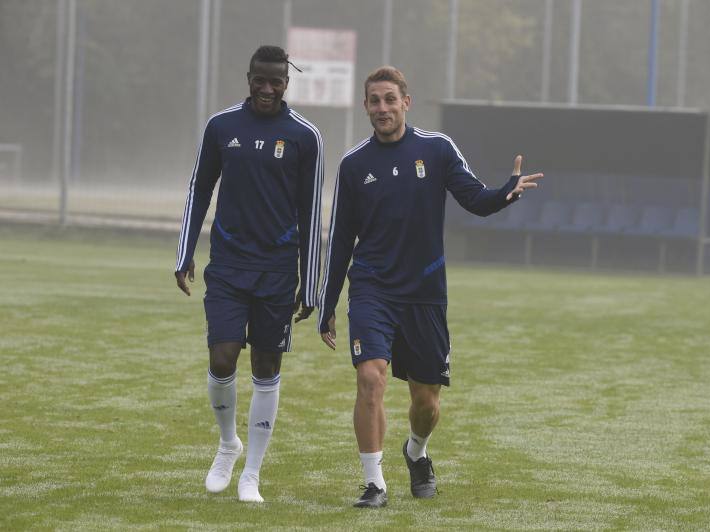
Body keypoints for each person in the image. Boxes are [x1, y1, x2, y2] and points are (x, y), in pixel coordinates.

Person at [317, 66, 541, 508]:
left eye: (389, 99)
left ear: (406, 102)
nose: (382, 108)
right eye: (374, 101)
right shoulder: (353, 164)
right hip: (372, 289)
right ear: (365, 107)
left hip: (424, 293)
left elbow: (475, 200)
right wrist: (326, 304)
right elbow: (341, 239)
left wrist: (506, 192)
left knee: (426, 403)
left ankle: (416, 451)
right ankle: (374, 484)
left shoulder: (437, 150)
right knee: (370, 378)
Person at [174, 45, 323, 503]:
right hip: (228, 267)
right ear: (248, 77)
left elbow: (311, 211)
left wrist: (310, 281)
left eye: (275, 81)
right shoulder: (221, 126)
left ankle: (252, 474)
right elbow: (200, 188)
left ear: (286, 83)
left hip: (278, 271)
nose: (266, 88)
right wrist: (184, 254)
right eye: (259, 79)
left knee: (266, 366)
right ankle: (227, 444)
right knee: (222, 359)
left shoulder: (305, 136)